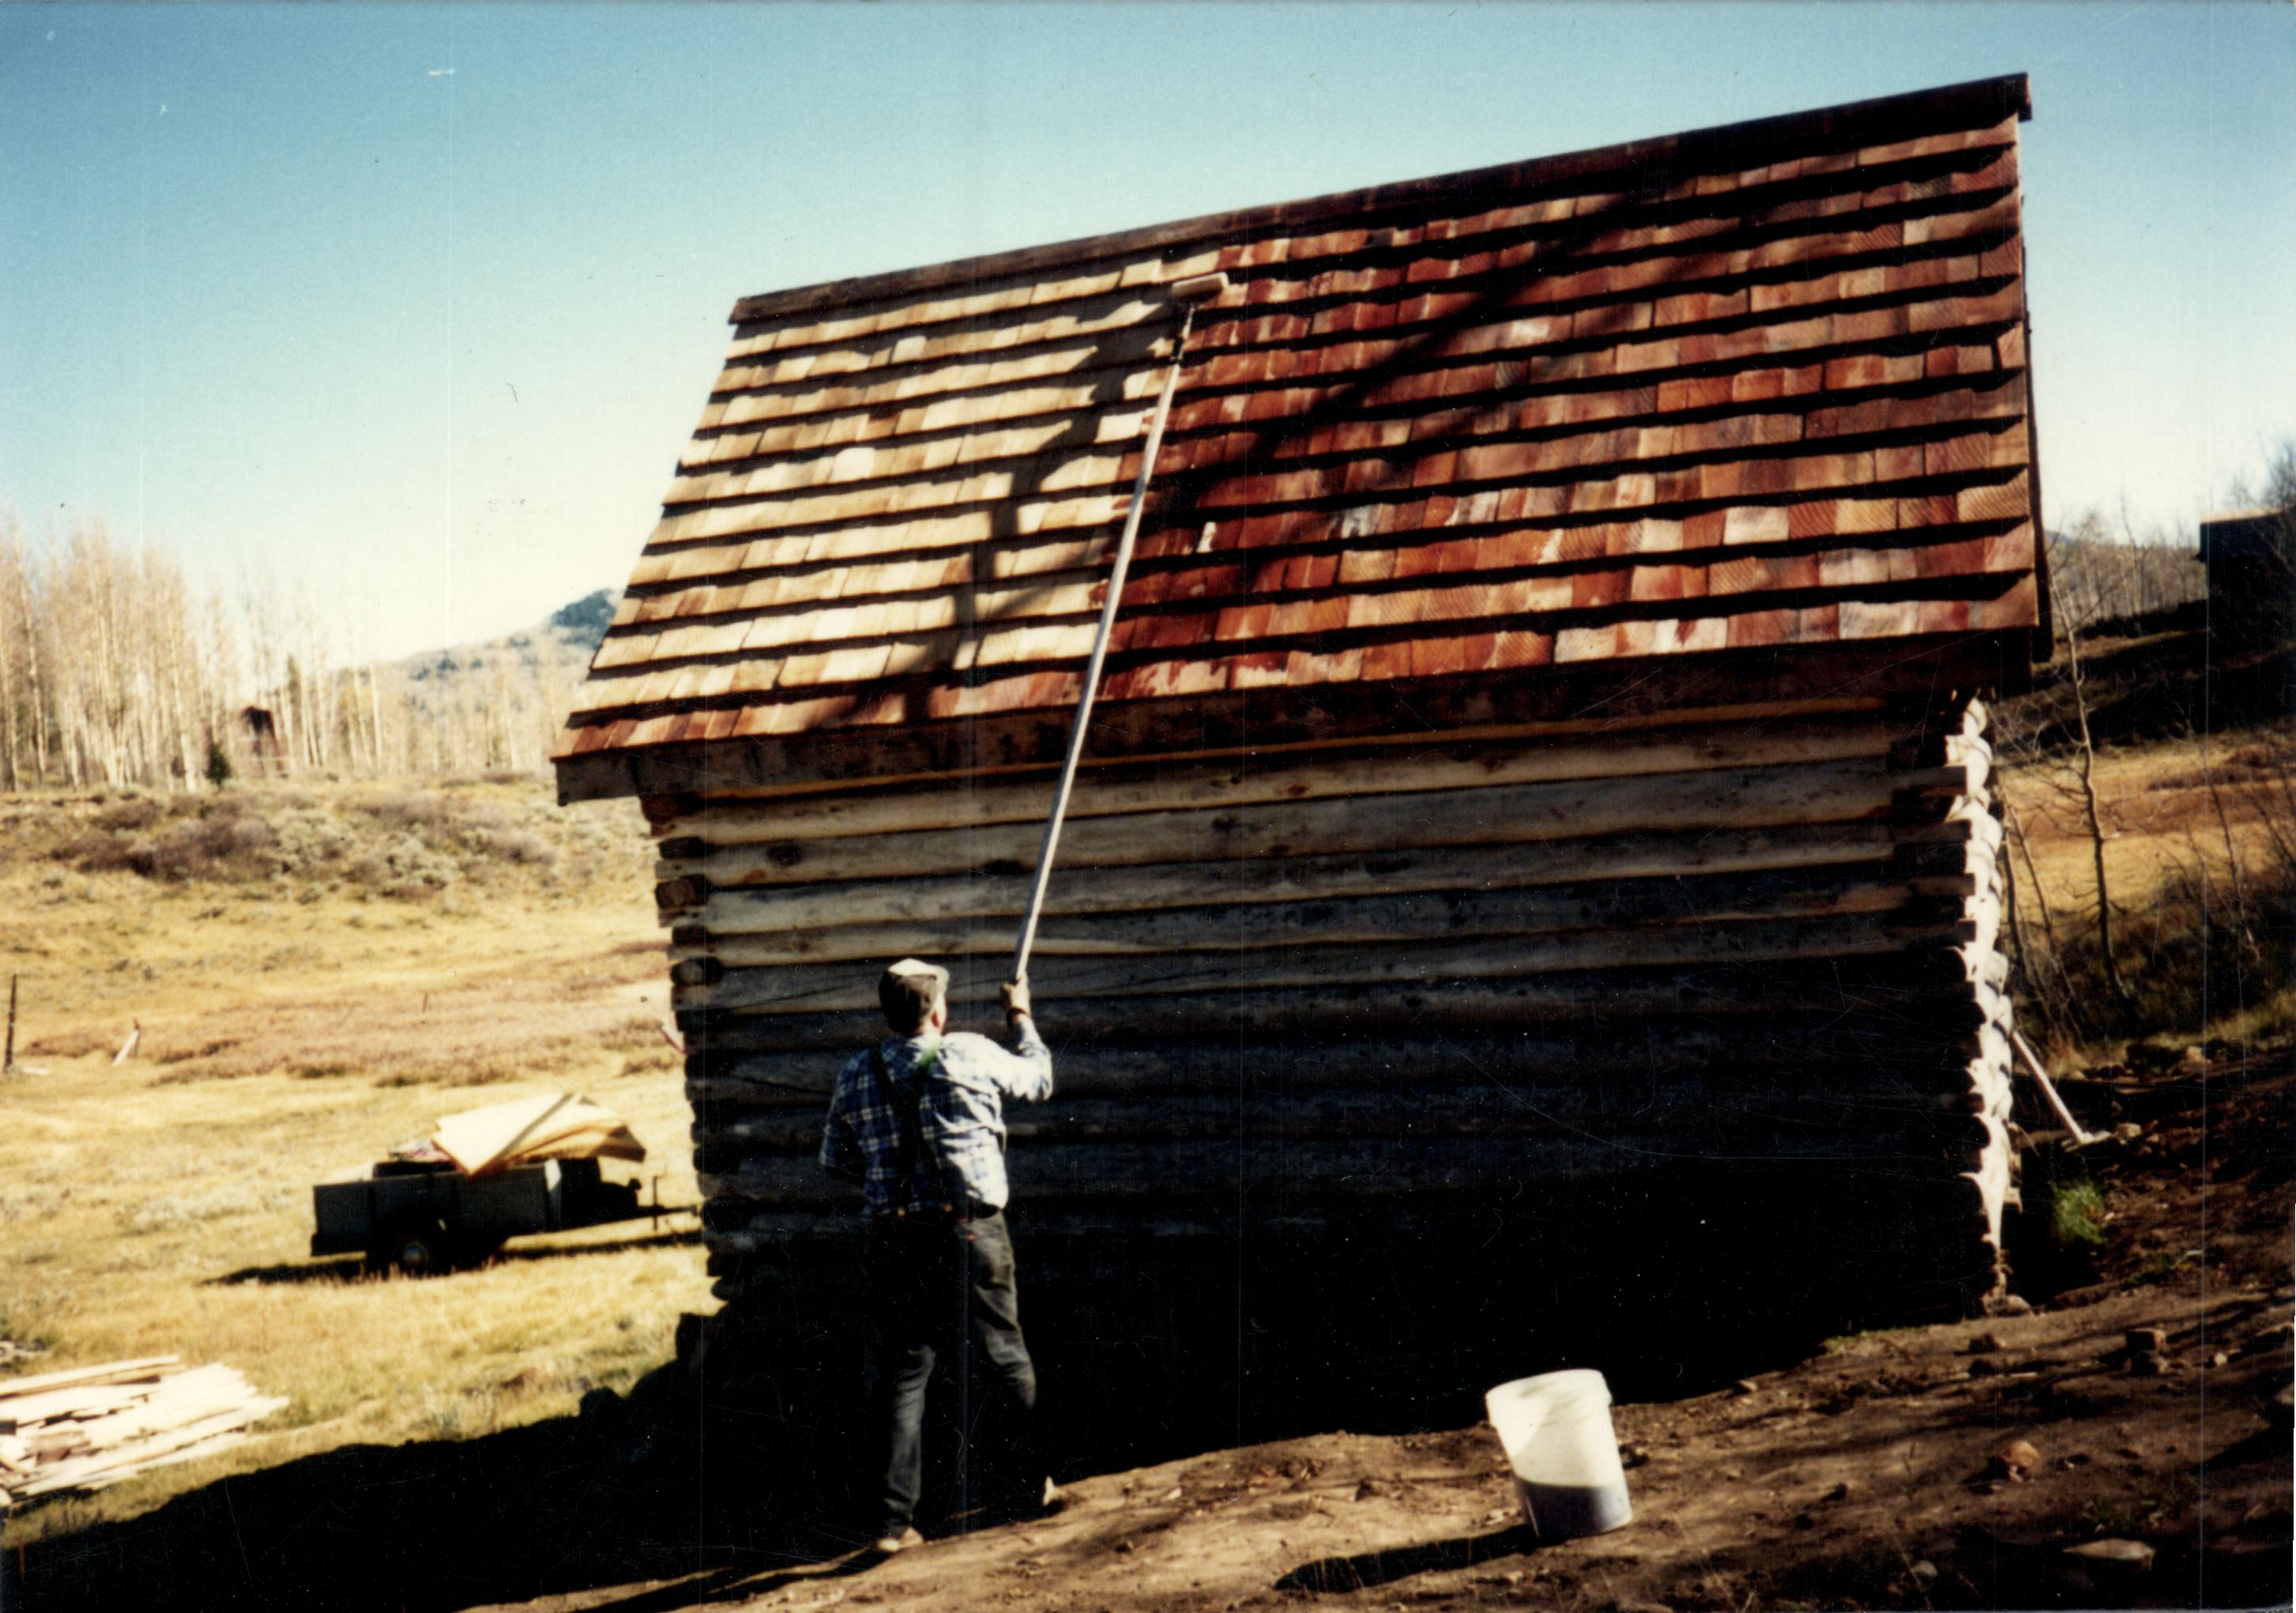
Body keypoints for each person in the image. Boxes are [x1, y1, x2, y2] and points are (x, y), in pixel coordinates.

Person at [819, 957, 1058, 1554]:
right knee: (1002, 1355)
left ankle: (891, 1526)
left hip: (895, 1236)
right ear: (937, 1009)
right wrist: (1020, 1014)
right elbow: (1038, 1079)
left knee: (903, 1375)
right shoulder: (969, 1053)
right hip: (968, 1231)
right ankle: (1032, 1488)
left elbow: (836, 1159)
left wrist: (889, 1182)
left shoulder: (856, 1072)